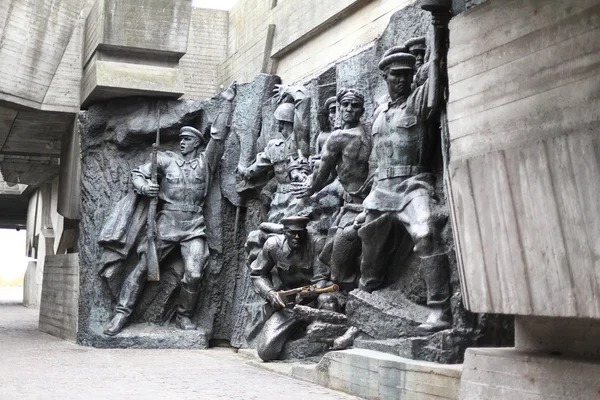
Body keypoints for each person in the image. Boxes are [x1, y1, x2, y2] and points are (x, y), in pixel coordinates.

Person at [102, 82, 237, 336]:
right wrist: (145, 188)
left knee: (195, 274)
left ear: (197, 143)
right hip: (166, 223)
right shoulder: (165, 159)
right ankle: (120, 315)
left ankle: (183, 316)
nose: (182, 143)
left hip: (193, 226)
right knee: (142, 268)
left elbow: (218, 136)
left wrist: (227, 103)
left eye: (187, 140)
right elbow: (137, 174)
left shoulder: (205, 163)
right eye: (181, 139)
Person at [354, 14, 452, 334]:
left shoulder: (418, 99)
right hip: (381, 189)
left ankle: (439, 310)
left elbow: (435, 74)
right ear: (385, 76)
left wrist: (438, 30)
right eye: (396, 75)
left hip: (413, 184)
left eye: (408, 74)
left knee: (425, 233)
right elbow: (374, 156)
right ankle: (367, 298)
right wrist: (365, 194)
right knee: (367, 261)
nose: (403, 79)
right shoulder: (379, 113)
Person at [293, 89, 372, 289]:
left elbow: (321, 176)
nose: (349, 109)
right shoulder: (346, 134)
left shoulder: (340, 137)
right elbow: (326, 173)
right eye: (345, 105)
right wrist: (311, 184)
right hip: (351, 203)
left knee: (338, 264)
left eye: (354, 105)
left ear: (362, 110)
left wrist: (311, 187)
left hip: (361, 205)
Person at [249, 216, 331, 361]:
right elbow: (257, 274)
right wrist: (270, 293)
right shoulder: (273, 245)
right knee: (266, 351)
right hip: (289, 304)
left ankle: (320, 342)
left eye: (301, 232)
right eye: (292, 233)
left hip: (314, 300)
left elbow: (321, 279)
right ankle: (299, 333)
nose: (297, 237)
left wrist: (313, 292)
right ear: (284, 232)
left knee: (328, 301)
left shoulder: (317, 243)